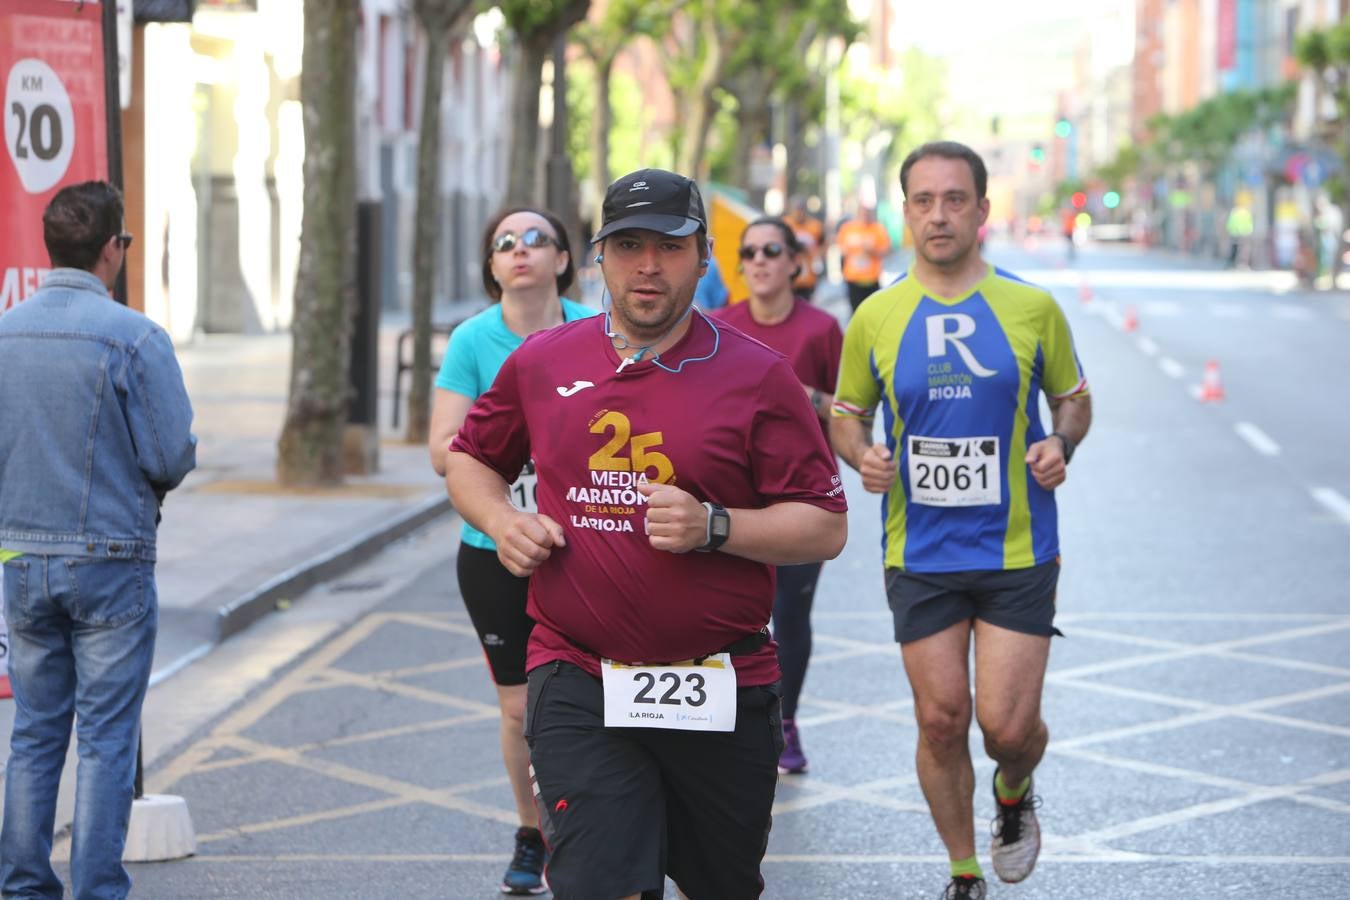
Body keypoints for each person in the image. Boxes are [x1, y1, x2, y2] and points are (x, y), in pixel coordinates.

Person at [445, 168, 848, 899]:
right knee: (602, 884)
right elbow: (469, 457)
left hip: (720, 682)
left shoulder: (759, 377)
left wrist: (715, 526)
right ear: (600, 257)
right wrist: (502, 520)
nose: (648, 266)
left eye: (670, 245)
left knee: (719, 886)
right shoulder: (545, 361)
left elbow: (824, 526)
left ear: (702, 257)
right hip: (578, 675)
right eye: (628, 245)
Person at [830, 142, 1091, 900]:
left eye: (954, 199)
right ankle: (963, 869)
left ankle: (1014, 789)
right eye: (922, 200)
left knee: (1008, 730)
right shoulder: (877, 315)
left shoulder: (1032, 307)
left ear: (982, 209)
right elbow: (848, 414)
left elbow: (1074, 395)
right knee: (942, 720)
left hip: (1017, 549)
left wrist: (1060, 440)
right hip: (920, 550)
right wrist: (861, 456)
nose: (938, 214)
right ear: (904, 211)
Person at [0, 181, 197, 899]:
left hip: (19, 557)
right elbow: (170, 454)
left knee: (34, 732)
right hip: (111, 558)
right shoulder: (136, 337)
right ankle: (95, 890)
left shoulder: (6, 333)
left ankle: (22, 886)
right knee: (107, 738)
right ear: (113, 248)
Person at [428, 206, 595, 895]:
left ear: (562, 258)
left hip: (587, 545)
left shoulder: (595, 329)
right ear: (493, 267)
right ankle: (533, 831)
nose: (520, 250)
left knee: (594, 698)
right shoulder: (473, 339)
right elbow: (444, 451)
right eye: (504, 243)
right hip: (494, 548)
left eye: (536, 240)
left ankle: (593, 830)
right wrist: (515, 446)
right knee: (521, 709)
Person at [713, 216, 842, 775]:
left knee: (790, 614)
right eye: (750, 252)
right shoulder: (716, 326)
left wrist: (809, 396)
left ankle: (784, 721)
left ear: (795, 262)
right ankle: (726, 717)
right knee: (728, 614)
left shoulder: (821, 330)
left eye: (771, 250)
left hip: (799, 496)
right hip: (731, 497)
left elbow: (851, 412)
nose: (760, 260)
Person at [836, 203, 890, 312]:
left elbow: (885, 251)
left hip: (872, 280)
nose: (865, 216)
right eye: (862, 213)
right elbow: (841, 249)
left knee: (873, 313)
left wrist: (871, 251)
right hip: (853, 279)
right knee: (855, 312)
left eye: (867, 213)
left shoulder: (877, 229)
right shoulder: (848, 229)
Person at [783, 196, 826, 300]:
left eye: (801, 209)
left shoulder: (815, 226)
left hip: (808, 274)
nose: (798, 213)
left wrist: (815, 256)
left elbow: (823, 245)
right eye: (796, 209)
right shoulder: (785, 224)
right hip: (788, 275)